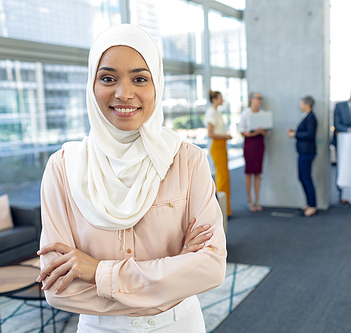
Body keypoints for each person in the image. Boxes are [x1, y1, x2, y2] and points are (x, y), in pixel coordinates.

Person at [36, 24, 226, 332]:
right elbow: (60, 290)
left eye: (140, 78)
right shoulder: (63, 167)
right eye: (108, 78)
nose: (124, 93)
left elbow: (211, 269)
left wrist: (97, 272)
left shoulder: (187, 160)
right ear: (91, 84)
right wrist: (172, 276)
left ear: (157, 86)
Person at [287, 96, 317, 217]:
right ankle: (309, 203)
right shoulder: (306, 116)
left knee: (306, 178)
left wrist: (295, 134)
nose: (299, 106)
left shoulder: (311, 117)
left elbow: (310, 134)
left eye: (301, 104)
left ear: (307, 104)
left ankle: (313, 205)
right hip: (303, 151)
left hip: (307, 152)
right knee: (303, 177)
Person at [204, 90, 233, 216]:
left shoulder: (216, 112)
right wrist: (224, 136)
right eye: (220, 98)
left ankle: (226, 209)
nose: (222, 100)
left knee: (225, 177)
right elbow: (210, 134)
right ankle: (220, 210)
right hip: (217, 146)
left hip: (221, 145)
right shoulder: (211, 112)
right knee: (222, 178)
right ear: (214, 99)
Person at [239, 92, 269, 212]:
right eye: (258, 98)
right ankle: (249, 200)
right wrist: (254, 133)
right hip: (250, 144)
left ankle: (257, 199)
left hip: (260, 144)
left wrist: (262, 132)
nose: (260, 101)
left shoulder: (263, 114)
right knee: (249, 172)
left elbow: (268, 131)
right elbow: (242, 131)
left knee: (258, 172)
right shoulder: (245, 113)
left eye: (261, 99)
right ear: (251, 99)